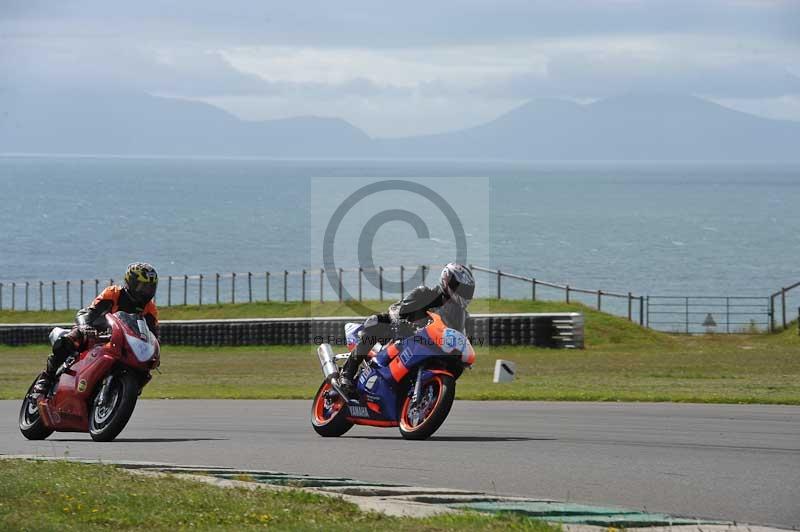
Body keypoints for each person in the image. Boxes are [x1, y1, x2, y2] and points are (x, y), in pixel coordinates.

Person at [338, 262, 475, 397]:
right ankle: (347, 373)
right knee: (377, 321)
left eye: (466, 291)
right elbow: (397, 310)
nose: (463, 293)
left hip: (432, 348)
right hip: (404, 337)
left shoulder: (462, 316)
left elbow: (462, 337)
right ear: (447, 280)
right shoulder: (425, 294)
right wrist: (401, 322)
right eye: (460, 288)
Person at [32, 263, 160, 394]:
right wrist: (85, 327)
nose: (146, 292)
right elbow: (90, 313)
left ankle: (120, 393)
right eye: (142, 286)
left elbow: (153, 336)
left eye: (150, 288)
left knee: (144, 370)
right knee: (72, 339)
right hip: (96, 331)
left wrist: (153, 353)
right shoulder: (113, 293)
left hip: (122, 342)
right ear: (130, 282)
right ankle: (46, 377)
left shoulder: (150, 309)